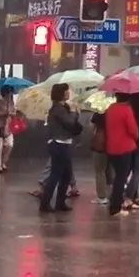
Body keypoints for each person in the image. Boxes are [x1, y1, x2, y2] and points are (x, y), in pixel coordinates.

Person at [37, 85, 83, 213]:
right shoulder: (58, 109)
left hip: (65, 143)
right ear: (61, 93)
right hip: (58, 144)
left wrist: (75, 113)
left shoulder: (63, 108)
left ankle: (60, 202)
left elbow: (73, 126)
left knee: (66, 175)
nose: (68, 93)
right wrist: (73, 112)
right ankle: (45, 204)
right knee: (55, 175)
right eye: (66, 91)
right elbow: (68, 122)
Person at [102, 93, 139, 214]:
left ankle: (114, 201)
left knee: (118, 176)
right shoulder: (126, 109)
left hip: (111, 147)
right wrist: (137, 136)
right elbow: (133, 129)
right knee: (121, 177)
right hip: (125, 147)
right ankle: (116, 206)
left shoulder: (110, 108)